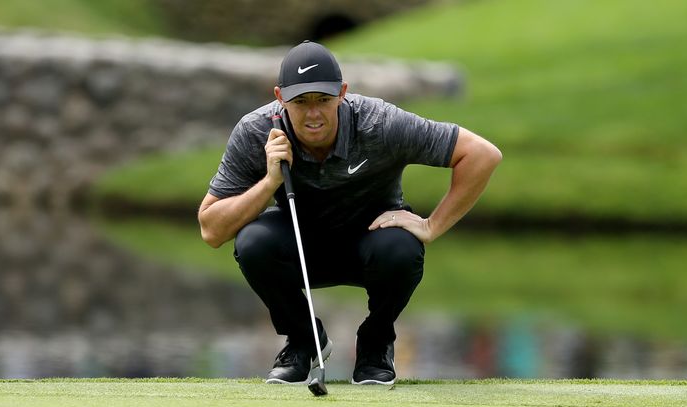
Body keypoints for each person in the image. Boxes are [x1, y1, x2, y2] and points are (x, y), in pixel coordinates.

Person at [198, 41, 501, 385]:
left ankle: (375, 345)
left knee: (402, 249)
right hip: (301, 245)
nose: (313, 114)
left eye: (323, 100)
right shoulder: (256, 131)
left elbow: (481, 154)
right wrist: (269, 181)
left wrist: (432, 226)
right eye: (300, 102)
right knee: (252, 242)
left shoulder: (380, 123)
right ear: (280, 97)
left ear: (342, 93)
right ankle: (303, 340)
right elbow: (211, 231)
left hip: (371, 244)